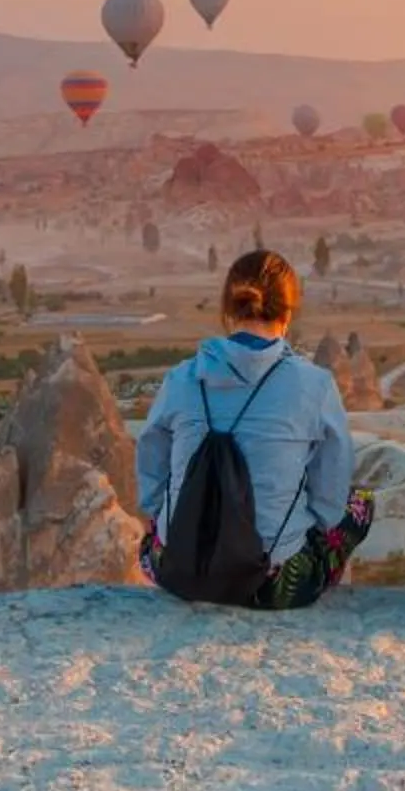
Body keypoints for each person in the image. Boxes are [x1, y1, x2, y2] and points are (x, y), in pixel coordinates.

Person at [136, 250, 371, 609]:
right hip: (270, 584)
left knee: (155, 533)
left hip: (182, 570)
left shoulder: (182, 378)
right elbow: (330, 498)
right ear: (288, 313)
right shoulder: (314, 385)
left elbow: (151, 472)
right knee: (360, 504)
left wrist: (168, 517)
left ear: (228, 310)